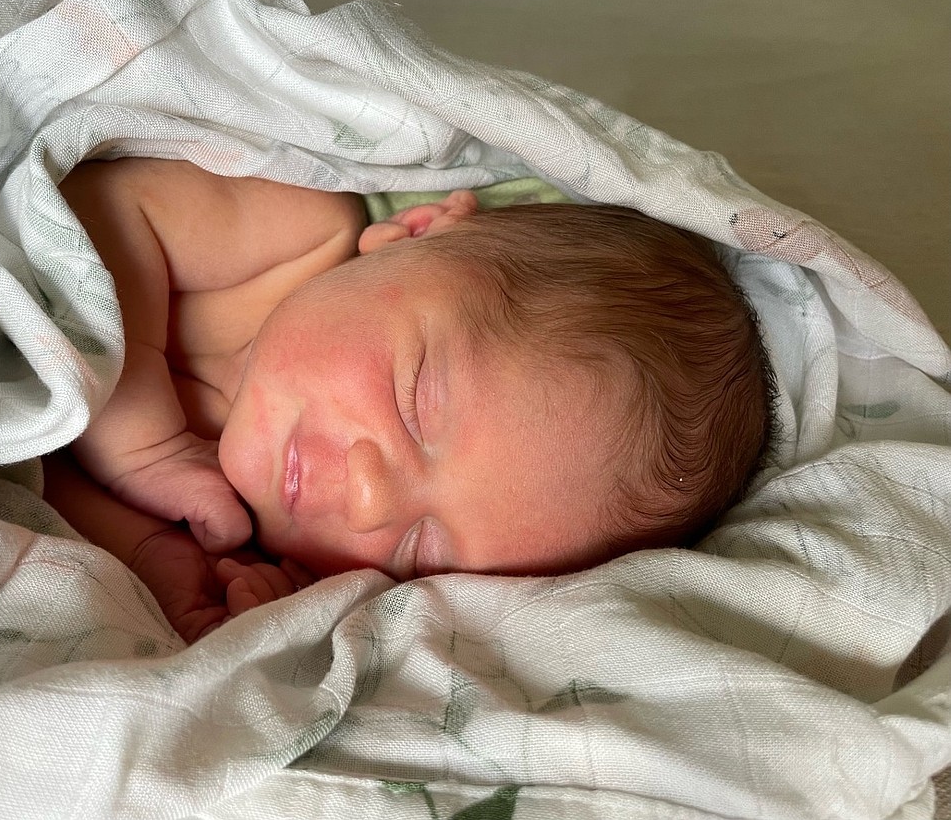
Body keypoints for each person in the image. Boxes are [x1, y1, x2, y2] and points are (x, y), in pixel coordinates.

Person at [42, 157, 773, 642]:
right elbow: (93, 213)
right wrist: (145, 446)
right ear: (412, 234)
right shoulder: (295, 228)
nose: (368, 502)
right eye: (415, 401)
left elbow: (42, 470)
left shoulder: (263, 528)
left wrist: (156, 550)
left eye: (418, 551)